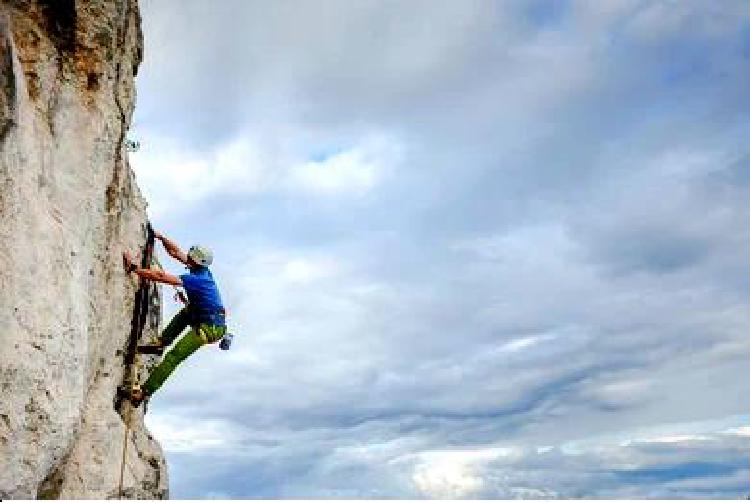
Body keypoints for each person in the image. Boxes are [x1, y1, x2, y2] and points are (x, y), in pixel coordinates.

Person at [121, 231, 226, 406]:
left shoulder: (197, 280)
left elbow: (161, 277)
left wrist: (135, 270)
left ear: (196, 261)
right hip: (203, 316)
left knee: (174, 357)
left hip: (210, 328)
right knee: (185, 313)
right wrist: (160, 237)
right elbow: (176, 252)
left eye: (191, 257)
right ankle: (160, 343)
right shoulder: (200, 269)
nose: (188, 258)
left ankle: (143, 393)